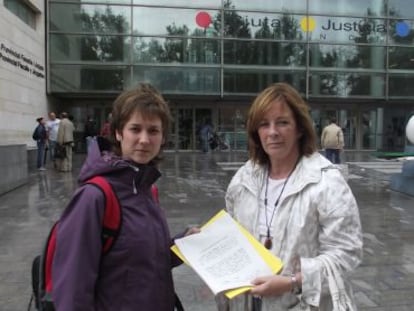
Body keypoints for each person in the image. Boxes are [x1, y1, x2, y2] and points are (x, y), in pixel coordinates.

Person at [51, 83, 199, 310]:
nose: (144, 139)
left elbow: (141, 261)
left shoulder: (147, 189)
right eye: (135, 129)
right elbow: (72, 291)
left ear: (162, 137)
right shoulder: (94, 197)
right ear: (119, 133)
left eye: (153, 131)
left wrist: (182, 244)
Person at [221, 83, 362, 311]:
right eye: (264, 124)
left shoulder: (326, 182)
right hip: (247, 302)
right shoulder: (243, 179)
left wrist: (292, 282)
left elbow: (346, 255)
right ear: (256, 132)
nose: (273, 132)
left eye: (283, 122)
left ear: (299, 129)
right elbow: (233, 241)